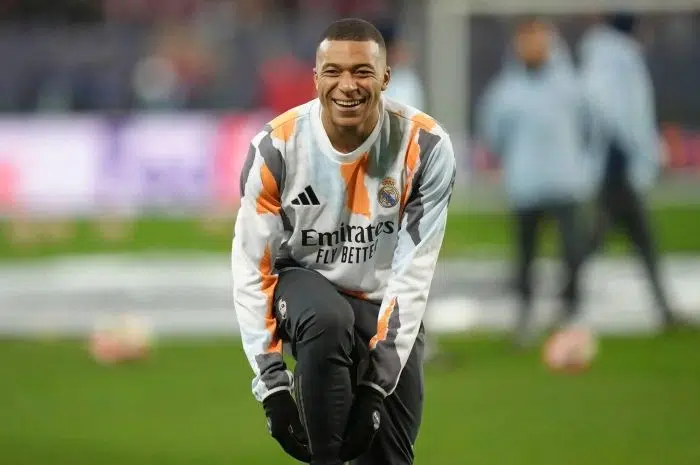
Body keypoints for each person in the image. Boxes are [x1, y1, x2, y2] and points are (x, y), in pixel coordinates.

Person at [231, 17, 456, 465]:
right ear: (315, 78)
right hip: (304, 289)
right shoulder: (276, 148)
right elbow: (252, 268)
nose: (346, 85)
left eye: (362, 72)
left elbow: (413, 272)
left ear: (386, 78)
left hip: (381, 303)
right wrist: (272, 384)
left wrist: (377, 384)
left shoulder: (426, 148)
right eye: (333, 71)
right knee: (327, 317)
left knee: (389, 457)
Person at [477, 18, 590, 347]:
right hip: (526, 185)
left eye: (538, 40)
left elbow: (588, 127)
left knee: (573, 252)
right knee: (526, 256)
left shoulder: (571, 85)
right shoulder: (505, 91)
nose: (533, 48)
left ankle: (571, 314)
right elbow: (493, 134)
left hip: (566, 181)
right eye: (527, 41)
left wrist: (580, 163)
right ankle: (525, 316)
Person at [579, 13, 682, 329]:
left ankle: (565, 300)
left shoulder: (604, 54)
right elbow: (619, 111)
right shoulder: (617, 58)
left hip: (615, 165)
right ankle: (665, 309)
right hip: (616, 166)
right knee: (634, 239)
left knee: (601, 240)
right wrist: (643, 150)